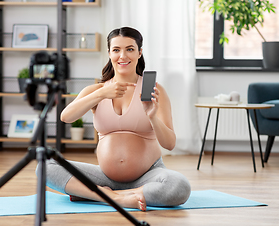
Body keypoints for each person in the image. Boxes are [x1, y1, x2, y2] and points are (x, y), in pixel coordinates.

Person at [42, 27, 191, 211]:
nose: (123, 56)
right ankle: (113, 197)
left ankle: (98, 194)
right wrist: (101, 93)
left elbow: (170, 144)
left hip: (147, 176)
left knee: (179, 186)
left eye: (129, 49)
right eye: (116, 50)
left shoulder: (154, 90)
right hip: (104, 177)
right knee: (45, 166)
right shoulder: (96, 91)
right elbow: (66, 117)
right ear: (109, 53)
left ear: (139, 52)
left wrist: (152, 116)